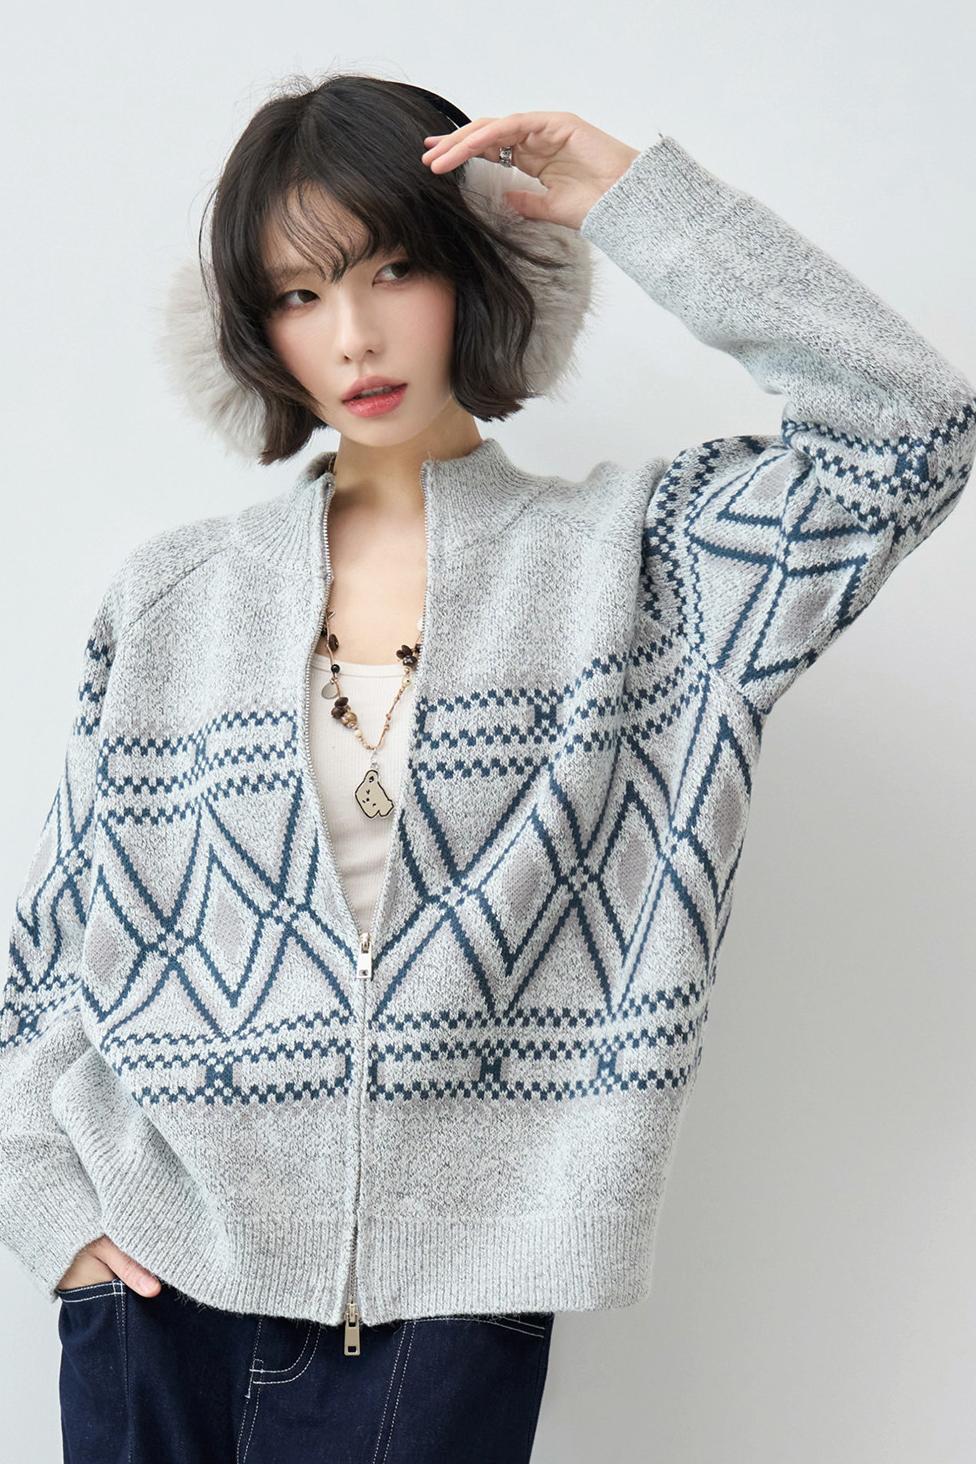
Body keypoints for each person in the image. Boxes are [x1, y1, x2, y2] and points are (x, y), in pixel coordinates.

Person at [2, 71, 974, 1464]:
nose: (354, 334)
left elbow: (912, 429)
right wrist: (48, 1206)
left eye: (394, 269)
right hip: (158, 1282)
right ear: (258, 333)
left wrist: (639, 202)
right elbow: (55, 951)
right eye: (299, 295)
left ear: (475, 271)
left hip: (454, 1304)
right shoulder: (172, 601)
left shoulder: (650, 573)